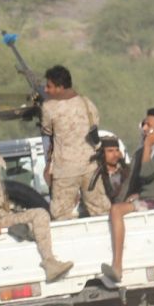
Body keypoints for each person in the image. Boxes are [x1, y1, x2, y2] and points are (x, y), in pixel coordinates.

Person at [0, 126, 74, 282]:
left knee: (28, 219)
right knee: (40, 214)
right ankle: (49, 263)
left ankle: (24, 229)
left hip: (2, 214)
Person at [101, 108, 154, 285]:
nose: (144, 128)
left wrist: (147, 145)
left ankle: (117, 266)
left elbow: (146, 172)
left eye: (149, 125)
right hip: (150, 196)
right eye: (144, 124)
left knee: (116, 211)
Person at [39, 65, 102, 220]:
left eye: (49, 86)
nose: (46, 90)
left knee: (61, 215)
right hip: (91, 167)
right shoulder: (87, 103)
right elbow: (95, 124)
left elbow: (47, 132)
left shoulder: (49, 107)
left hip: (65, 170)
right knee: (99, 210)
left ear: (60, 87)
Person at [82, 135, 129, 216]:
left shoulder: (126, 171)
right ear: (102, 153)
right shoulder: (94, 175)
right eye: (110, 151)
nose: (115, 154)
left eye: (117, 150)